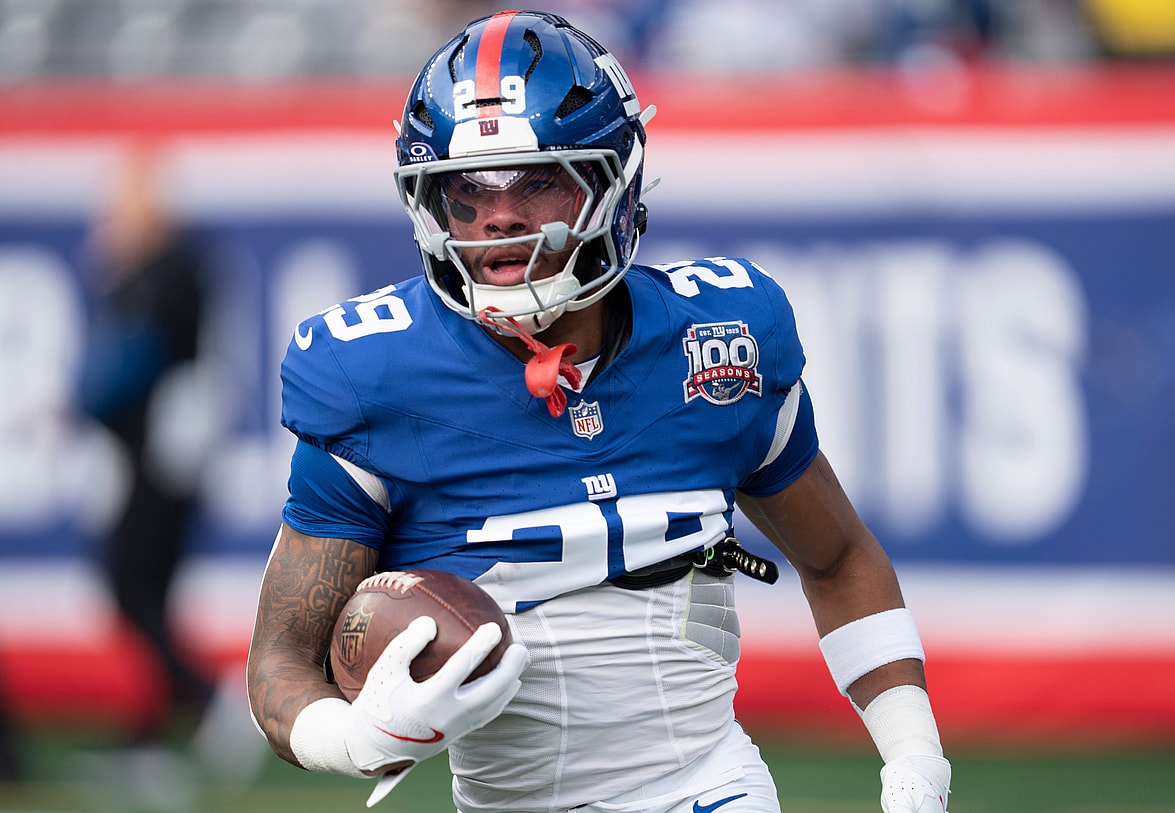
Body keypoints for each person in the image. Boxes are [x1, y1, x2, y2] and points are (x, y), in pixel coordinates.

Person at [246, 10, 952, 813]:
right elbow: (280, 659)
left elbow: (838, 557)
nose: (499, 217)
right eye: (467, 190)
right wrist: (354, 737)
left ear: (613, 181)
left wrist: (913, 760)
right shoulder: (373, 375)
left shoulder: (718, 339)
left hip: (708, 788)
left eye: (537, 178)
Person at [79, 144, 214, 742]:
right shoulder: (167, 269)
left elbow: (133, 364)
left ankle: (199, 698)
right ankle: (156, 718)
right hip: (153, 449)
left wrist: (82, 407)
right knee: (142, 586)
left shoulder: (162, 272)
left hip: (158, 450)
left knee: (135, 582)